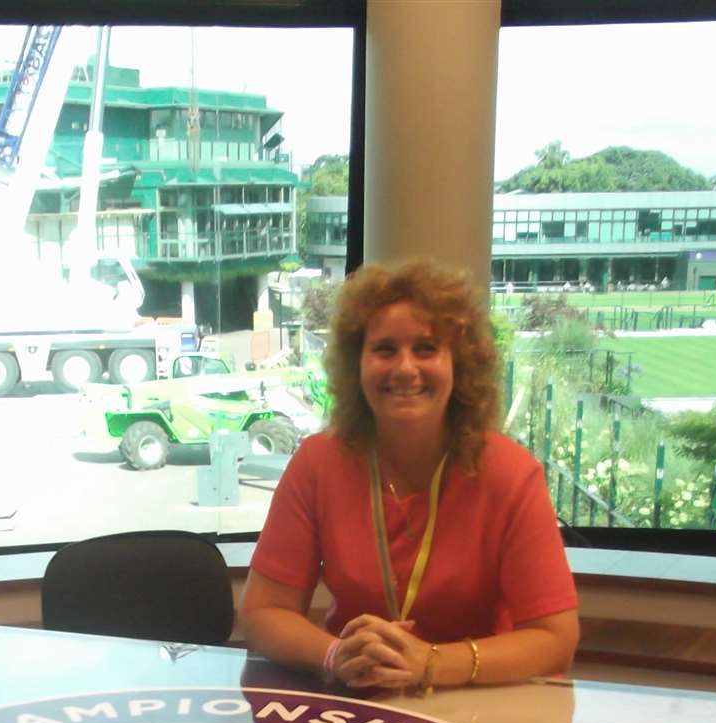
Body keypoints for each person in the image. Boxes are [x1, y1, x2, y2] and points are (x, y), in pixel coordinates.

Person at [240, 260, 578, 693]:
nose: (404, 368)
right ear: (355, 365)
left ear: (460, 365)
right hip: (357, 699)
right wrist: (333, 655)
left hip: (480, 705)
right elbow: (262, 613)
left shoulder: (511, 475)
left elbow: (556, 638)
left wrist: (432, 663)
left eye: (425, 348)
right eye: (384, 349)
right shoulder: (317, 464)